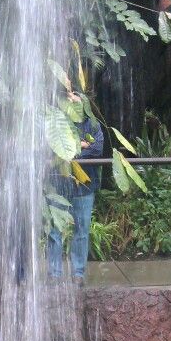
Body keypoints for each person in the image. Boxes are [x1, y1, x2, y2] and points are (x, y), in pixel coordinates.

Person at [47, 92, 104, 285]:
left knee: (82, 230)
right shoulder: (57, 123)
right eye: (68, 98)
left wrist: (71, 150)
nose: (71, 101)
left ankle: (78, 273)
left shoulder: (93, 124)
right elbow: (51, 148)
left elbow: (97, 149)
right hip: (59, 184)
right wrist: (81, 146)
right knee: (55, 229)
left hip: (84, 187)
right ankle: (54, 274)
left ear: (84, 102)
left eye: (75, 98)